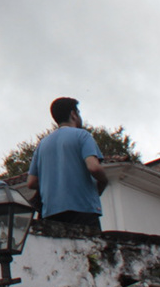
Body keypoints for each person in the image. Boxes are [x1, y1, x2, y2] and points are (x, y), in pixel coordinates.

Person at [24, 97, 109, 230]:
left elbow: (31, 182)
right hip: (83, 210)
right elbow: (94, 167)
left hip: (51, 212)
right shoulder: (83, 136)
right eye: (78, 112)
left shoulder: (42, 145)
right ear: (73, 114)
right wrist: (104, 181)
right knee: (90, 250)